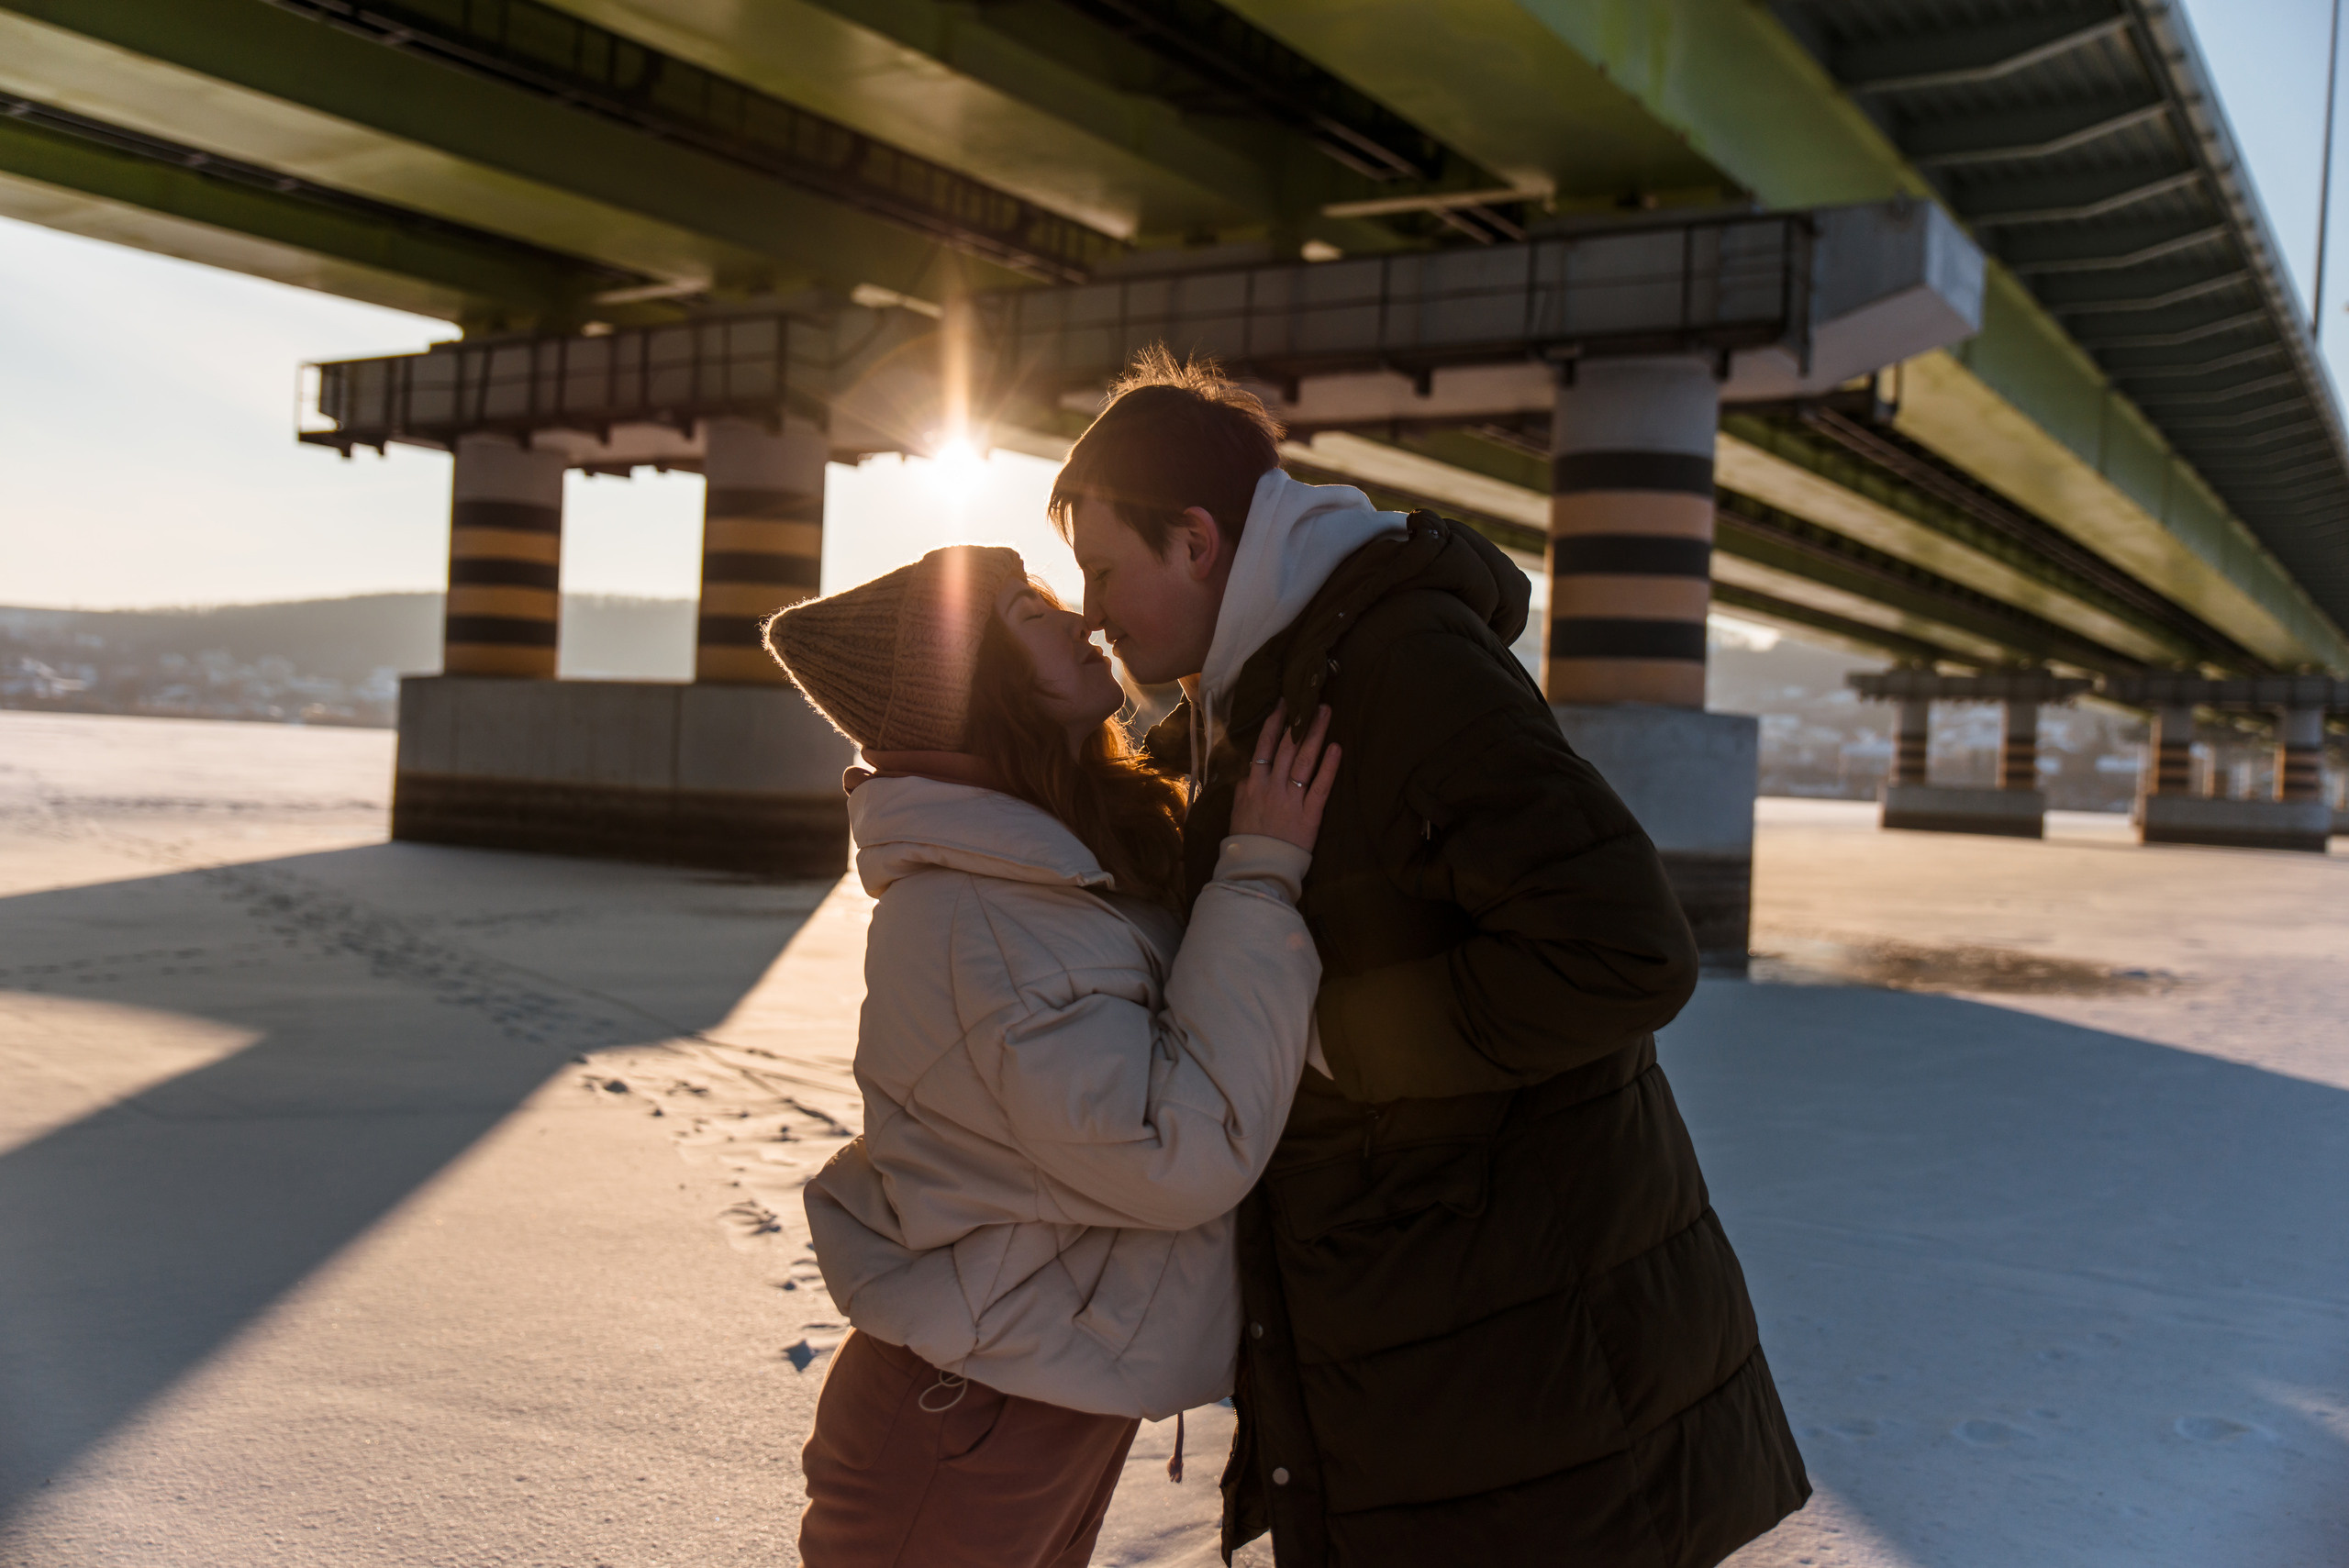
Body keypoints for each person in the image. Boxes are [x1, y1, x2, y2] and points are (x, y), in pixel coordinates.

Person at [1052, 350, 1811, 1566]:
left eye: (1102, 566)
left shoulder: (1402, 669)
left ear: (1194, 539)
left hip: (1531, 1386)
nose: (1091, 606)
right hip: (1443, 1368)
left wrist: (1331, 1039)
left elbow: (1626, 951)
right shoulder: (1269, 685)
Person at [763, 543, 1341, 1568]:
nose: (1081, 620)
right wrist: (1259, 874)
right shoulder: (981, 916)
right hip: (964, 1419)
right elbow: (1170, 1153)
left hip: (1020, 1394)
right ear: (968, 686)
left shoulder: (1043, 865)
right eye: (1029, 612)